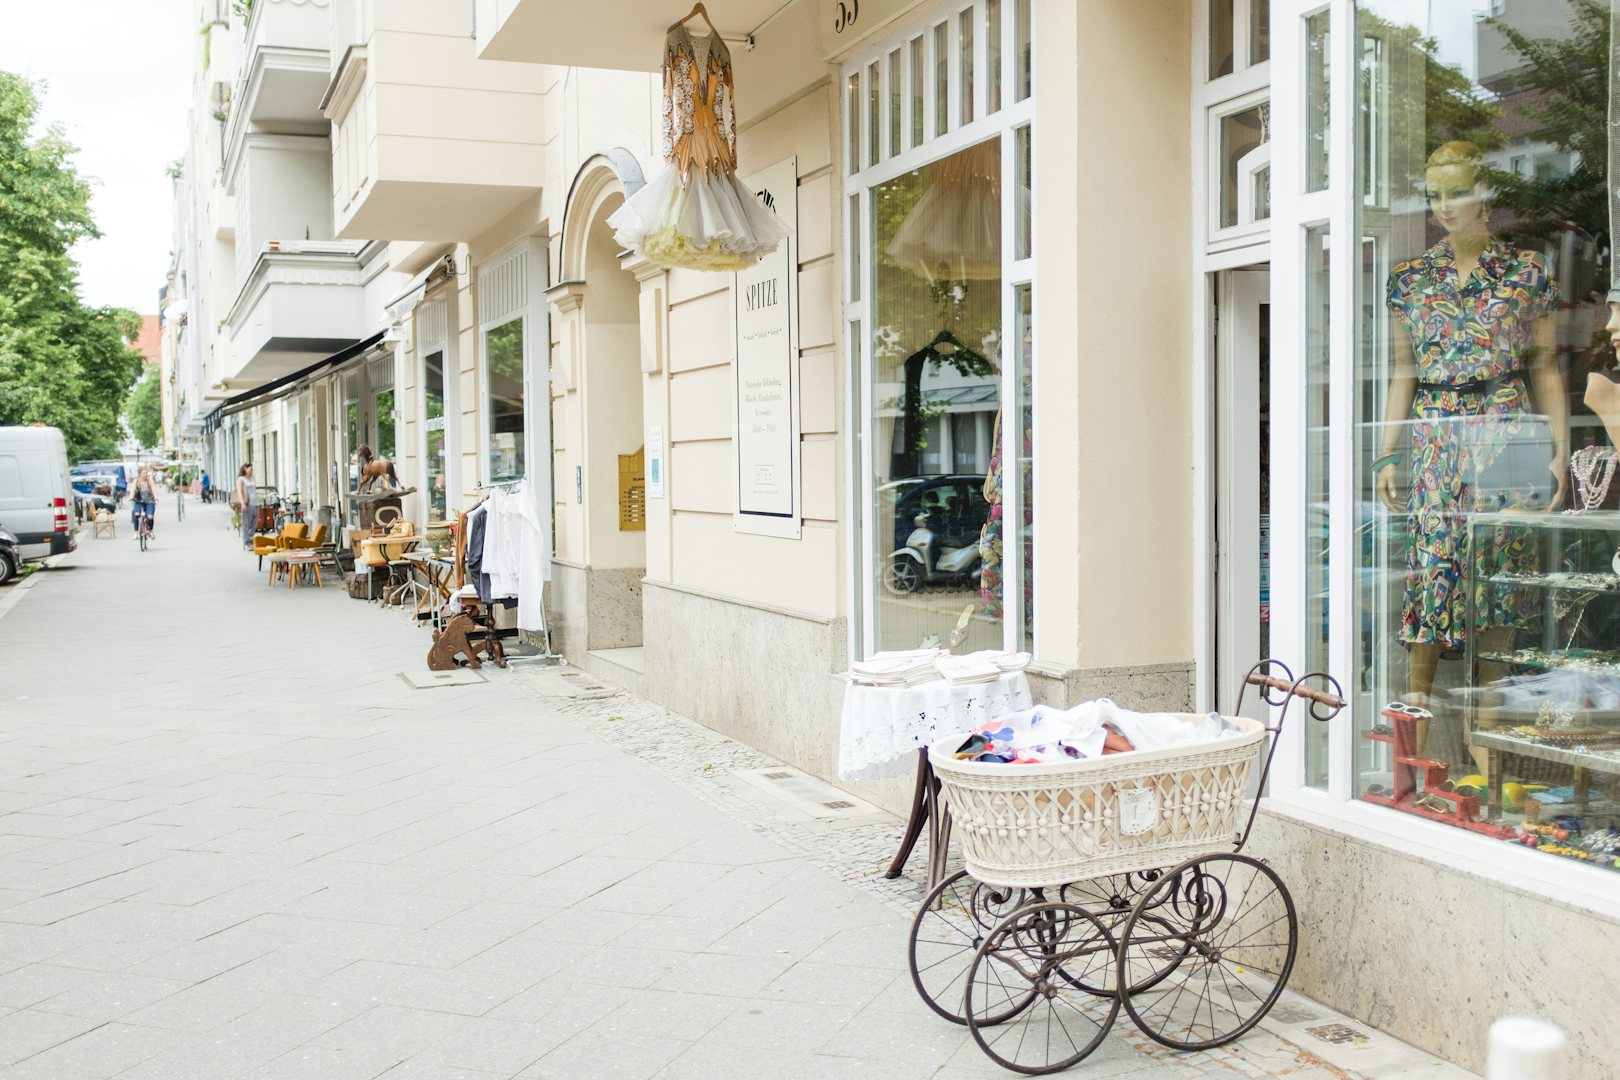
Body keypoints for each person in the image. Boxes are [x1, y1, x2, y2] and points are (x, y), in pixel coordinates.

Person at [1373, 141, 1566, 763]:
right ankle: (1412, 765)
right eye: (1433, 195)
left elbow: (1546, 367)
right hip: (1434, 436)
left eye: (1455, 191)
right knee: (1432, 585)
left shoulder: (1527, 272)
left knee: (1497, 594)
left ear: (1485, 196)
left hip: (1505, 432)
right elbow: (1404, 371)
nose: (1442, 207)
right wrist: (1386, 453)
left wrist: (1559, 451)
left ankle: (1487, 770)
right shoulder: (1409, 279)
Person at [130, 468, 158, 542]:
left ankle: (150, 531)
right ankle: (136, 532)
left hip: (149, 501)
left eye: (146, 473)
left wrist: (156, 497)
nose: (146, 474)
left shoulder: (150, 481)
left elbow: (154, 489)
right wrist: (131, 497)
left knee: (150, 517)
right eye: (144, 473)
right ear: (139, 474)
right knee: (136, 514)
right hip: (138, 501)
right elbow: (132, 490)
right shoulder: (136, 481)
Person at [235, 463, 256, 549]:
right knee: (246, 524)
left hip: (256, 503)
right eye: (250, 469)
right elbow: (239, 492)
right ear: (244, 469)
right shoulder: (241, 479)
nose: (251, 471)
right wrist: (242, 503)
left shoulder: (252, 478)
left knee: (254, 525)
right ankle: (247, 543)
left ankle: (251, 541)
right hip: (247, 504)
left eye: (252, 469)